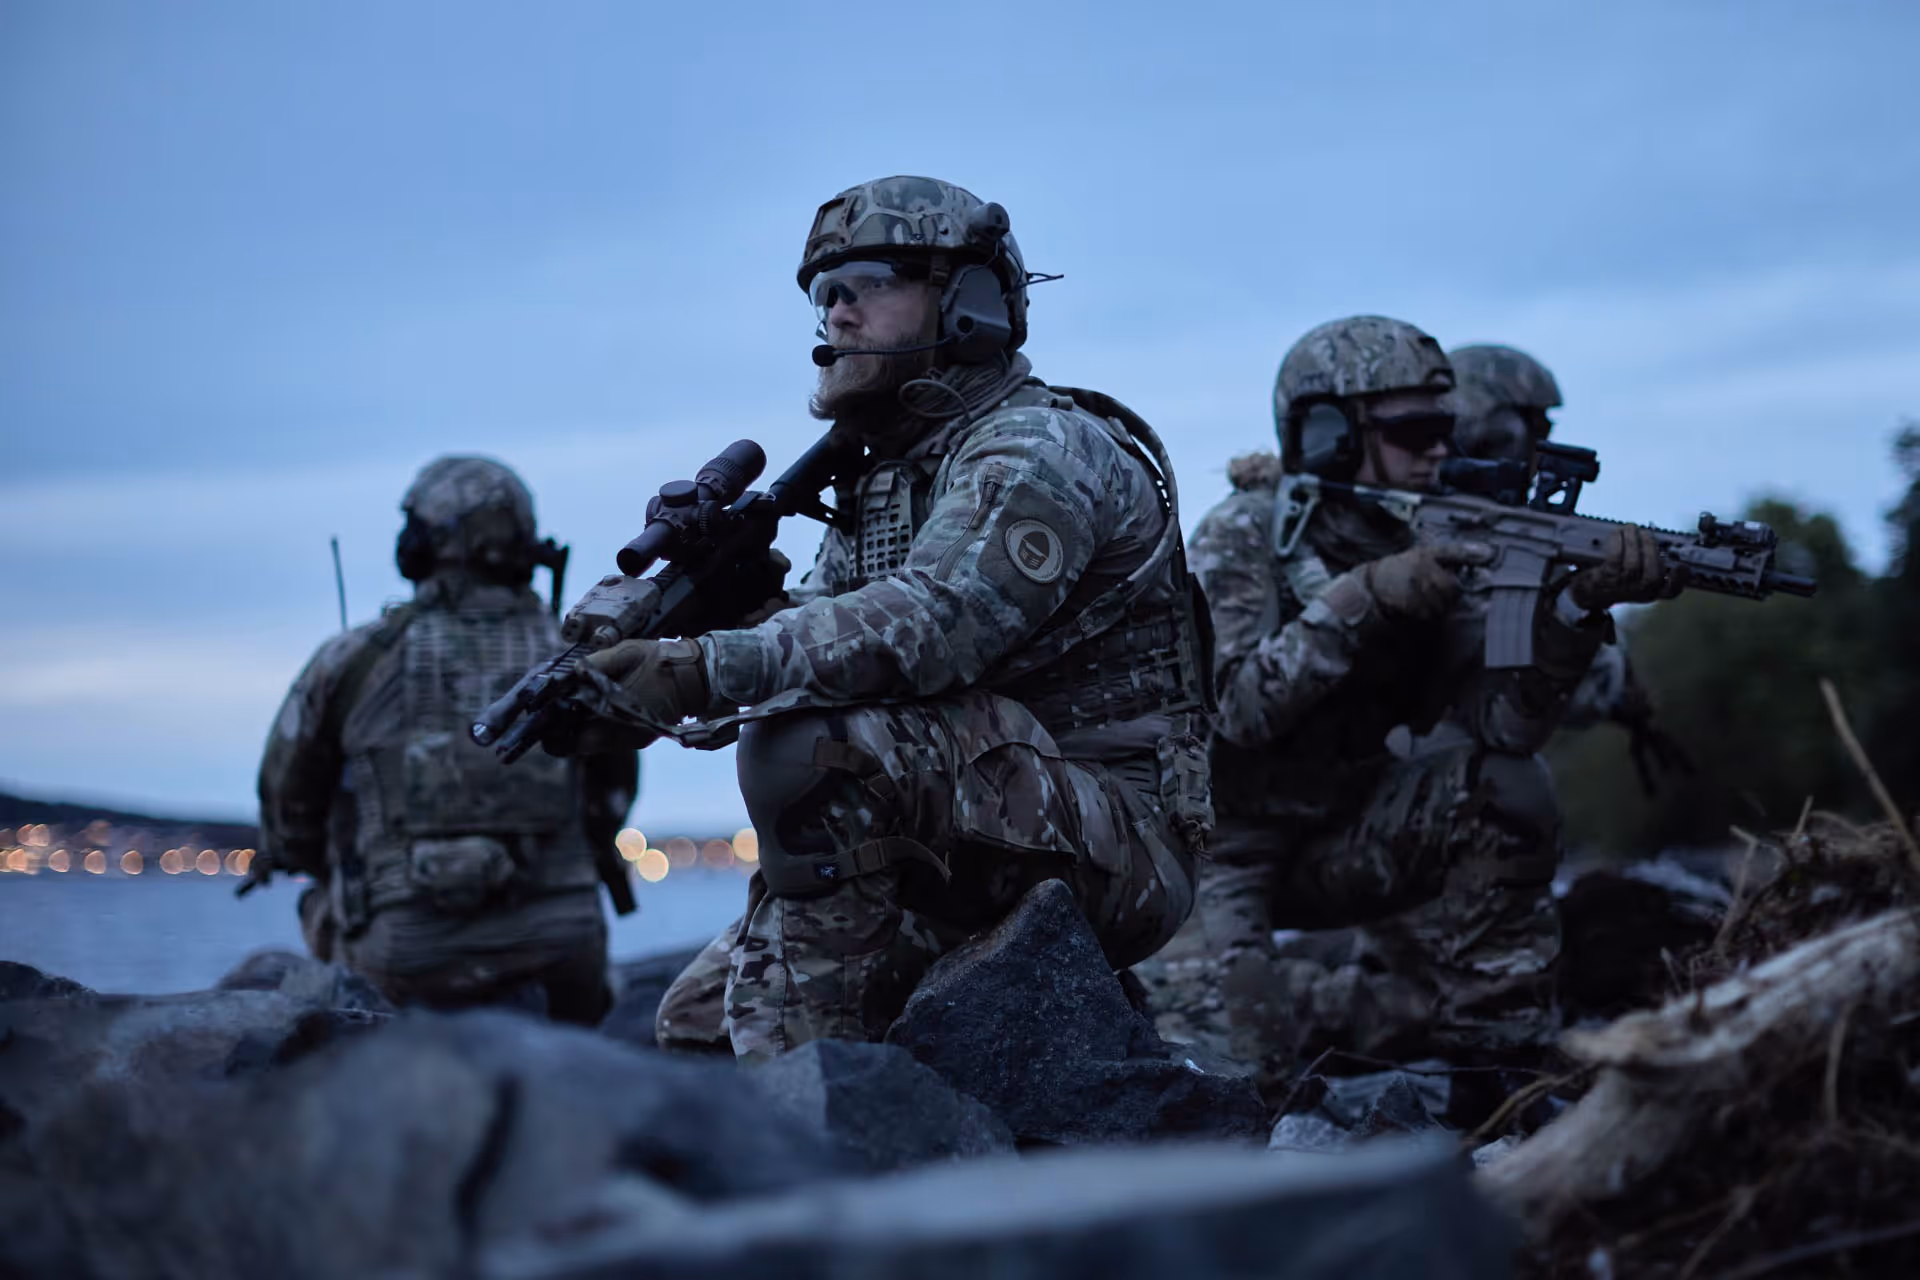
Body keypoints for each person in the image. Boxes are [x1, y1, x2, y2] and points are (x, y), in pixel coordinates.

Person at [573, 175, 1213, 1059]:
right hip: (979, 817)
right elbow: (837, 635)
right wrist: (731, 623)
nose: (837, 312)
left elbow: (935, 624)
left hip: (1120, 843)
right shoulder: (887, 476)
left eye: (869, 283)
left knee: (819, 747)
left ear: (970, 302)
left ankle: (824, 1095)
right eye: (825, 293)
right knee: (699, 1025)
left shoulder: (1038, 447)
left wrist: (700, 669)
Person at [1143, 316, 1669, 1091]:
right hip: (1215, 851)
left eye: (1447, 430)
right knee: (1235, 1079)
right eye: (1415, 432)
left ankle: (1498, 1066)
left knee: (1505, 789)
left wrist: (1574, 613)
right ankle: (1278, 1001)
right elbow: (1238, 714)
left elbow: (1505, 726)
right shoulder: (1247, 533)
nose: (1440, 452)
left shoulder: (1436, 535)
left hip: (1341, 831)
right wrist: (1368, 597)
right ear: (1331, 436)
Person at [256, 457, 637, 1024]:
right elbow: (613, 795)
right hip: (562, 952)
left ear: (427, 544)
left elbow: (287, 808)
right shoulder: (579, 658)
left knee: (319, 908)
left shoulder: (354, 660)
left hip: (402, 958)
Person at [1448, 343, 1685, 788]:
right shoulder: (1436, 529)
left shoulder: (1514, 534)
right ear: (1497, 429)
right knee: (1515, 783)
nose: (1541, 447)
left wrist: (1582, 605)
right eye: (1536, 428)